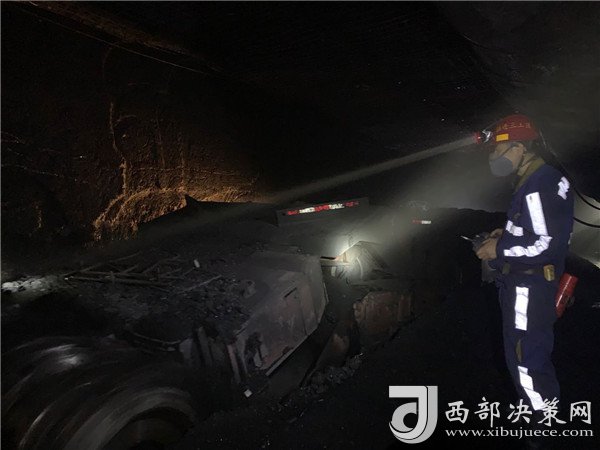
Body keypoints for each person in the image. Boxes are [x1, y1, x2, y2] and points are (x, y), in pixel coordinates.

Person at [475, 114, 574, 428]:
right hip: (532, 285)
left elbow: (544, 243)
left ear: (518, 148)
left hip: (527, 290)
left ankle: (540, 426)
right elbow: (538, 228)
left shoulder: (536, 186)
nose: (493, 157)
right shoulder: (543, 179)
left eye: (497, 149)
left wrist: (499, 249)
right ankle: (539, 414)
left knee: (525, 359)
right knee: (530, 355)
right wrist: (504, 235)